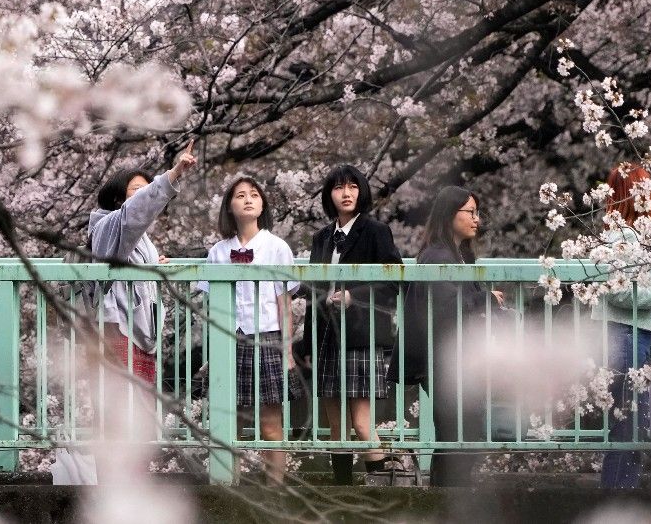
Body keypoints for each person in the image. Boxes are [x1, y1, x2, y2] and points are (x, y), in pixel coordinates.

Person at [298, 164, 403, 485]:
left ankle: (386, 487)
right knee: (335, 423)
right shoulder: (322, 237)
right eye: (339, 188)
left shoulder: (375, 231)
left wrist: (351, 296)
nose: (346, 193)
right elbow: (315, 293)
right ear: (329, 195)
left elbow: (393, 280)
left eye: (353, 187)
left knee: (361, 422)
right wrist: (308, 344)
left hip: (361, 334)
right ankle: (341, 488)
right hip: (327, 334)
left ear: (362, 192)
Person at [392, 185, 502, 487]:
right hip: (440, 357)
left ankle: (447, 494)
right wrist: (486, 300)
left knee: (458, 431)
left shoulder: (458, 255)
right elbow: (445, 306)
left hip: (452, 356)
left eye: (477, 213)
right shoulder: (436, 256)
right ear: (449, 214)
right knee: (458, 431)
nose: (476, 219)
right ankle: (447, 495)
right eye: (470, 212)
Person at [201, 176, 303, 484]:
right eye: (240, 195)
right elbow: (210, 307)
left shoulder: (277, 247)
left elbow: (284, 303)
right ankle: (229, 488)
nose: (248, 199)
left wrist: (287, 350)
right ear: (229, 207)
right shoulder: (218, 251)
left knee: (271, 421)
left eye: (254, 195)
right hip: (227, 339)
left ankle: (276, 490)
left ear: (262, 205)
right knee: (229, 421)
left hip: (268, 339)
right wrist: (211, 350)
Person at [87, 141, 196, 384]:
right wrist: (174, 173)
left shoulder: (134, 233)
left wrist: (152, 263)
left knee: (136, 413)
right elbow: (135, 213)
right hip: (119, 329)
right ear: (117, 198)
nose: (145, 195)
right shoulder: (109, 223)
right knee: (121, 411)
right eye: (138, 190)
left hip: (138, 331)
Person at [594, 163, 651, 489]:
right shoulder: (621, 236)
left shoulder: (638, 237)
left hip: (634, 335)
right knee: (629, 424)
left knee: (633, 425)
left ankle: (619, 498)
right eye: (645, 188)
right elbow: (619, 289)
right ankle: (616, 503)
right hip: (624, 334)